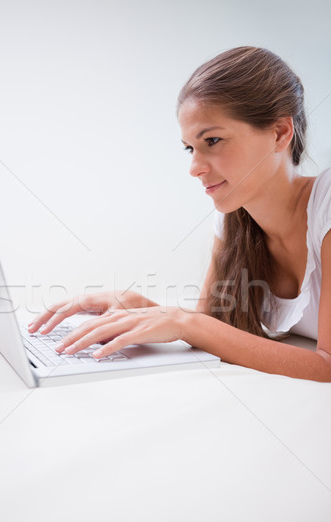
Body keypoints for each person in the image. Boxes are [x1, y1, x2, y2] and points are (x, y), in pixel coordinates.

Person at [28, 46, 331, 382]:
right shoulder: (235, 215)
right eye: (190, 148)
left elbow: (327, 365)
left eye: (213, 140)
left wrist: (185, 321)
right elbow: (210, 331)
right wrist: (140, 306)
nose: (194, 168)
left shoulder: (327, 204)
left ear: (279, 133)